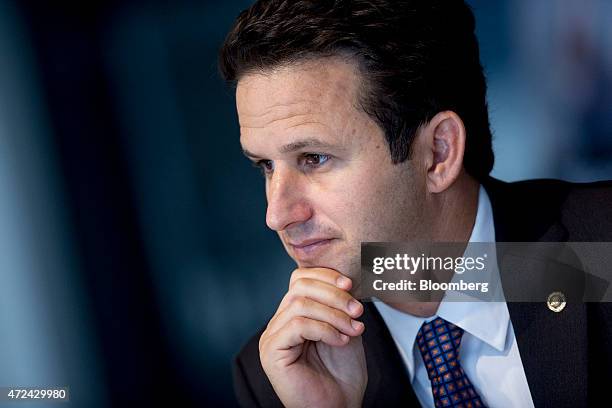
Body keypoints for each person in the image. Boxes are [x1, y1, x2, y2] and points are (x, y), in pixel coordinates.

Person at [218, 0, 612, 406]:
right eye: (266, 165)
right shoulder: (279, 379)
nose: (277, 214)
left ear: (438, 153)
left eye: (315, 159)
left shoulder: (604, 250)